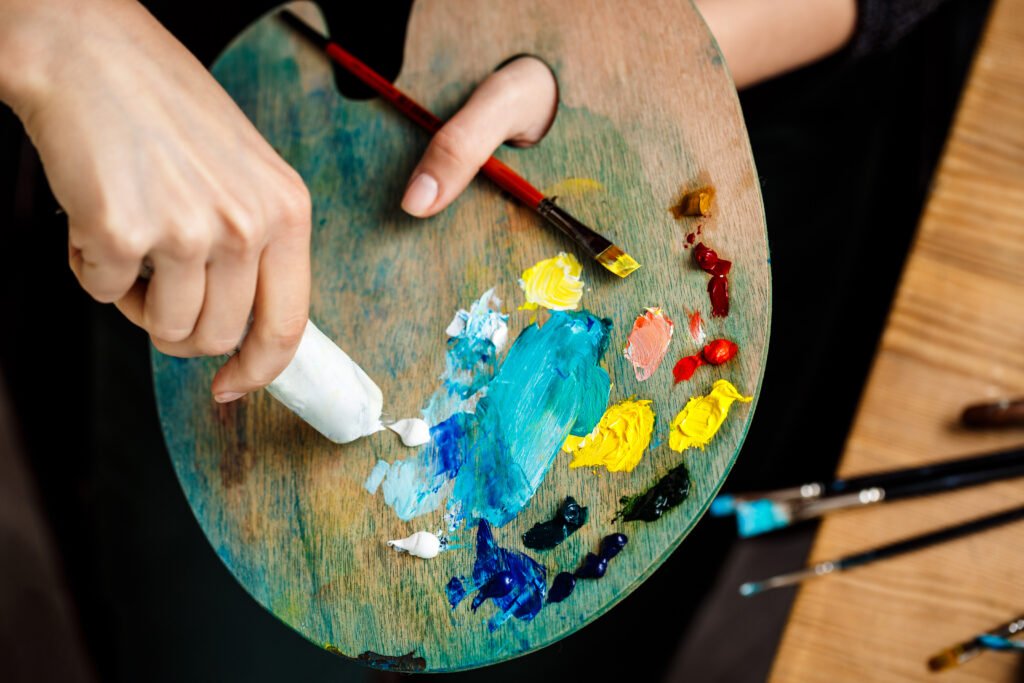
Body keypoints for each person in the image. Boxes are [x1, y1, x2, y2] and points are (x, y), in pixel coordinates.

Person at [0, 0, 964, 681]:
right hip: (176, 164)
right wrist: (58, 30)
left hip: (693, 125)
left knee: (565, 623)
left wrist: (631, 52)